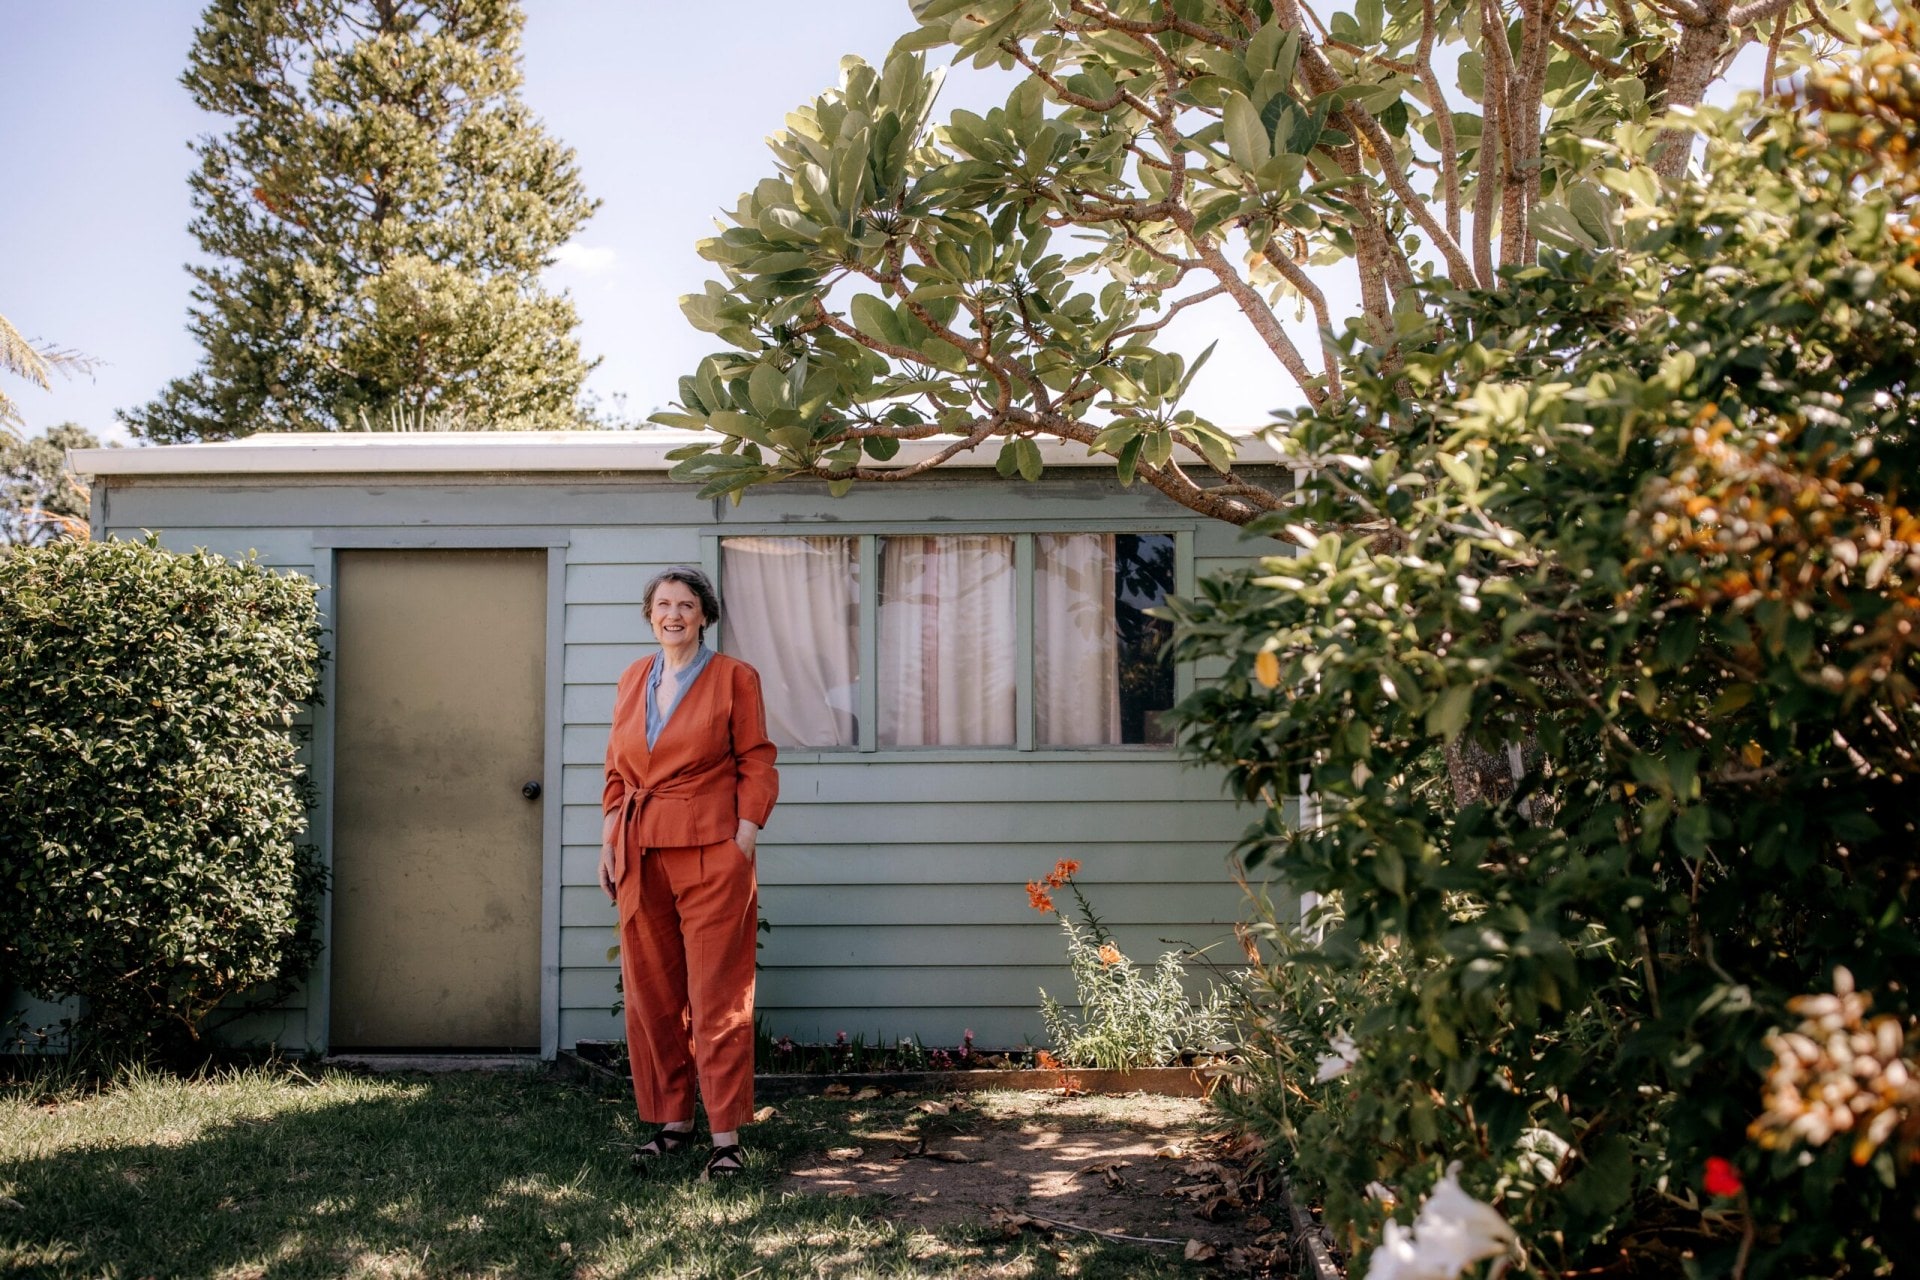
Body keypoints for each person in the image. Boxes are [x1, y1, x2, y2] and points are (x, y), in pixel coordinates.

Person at [600, 566, 777, 1180]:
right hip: (638, 849)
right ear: (650, 614)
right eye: (662, 604)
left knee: (716, 993)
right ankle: (673, 1122)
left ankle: (725, 1137)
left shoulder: (734, 677)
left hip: (710, 849)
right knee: (652, 992)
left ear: (705, 614)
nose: (673, 614)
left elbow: (756, 758)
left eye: (686, 604)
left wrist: (746, 833)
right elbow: (618, 774)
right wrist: (609, 841)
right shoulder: (632, 678)